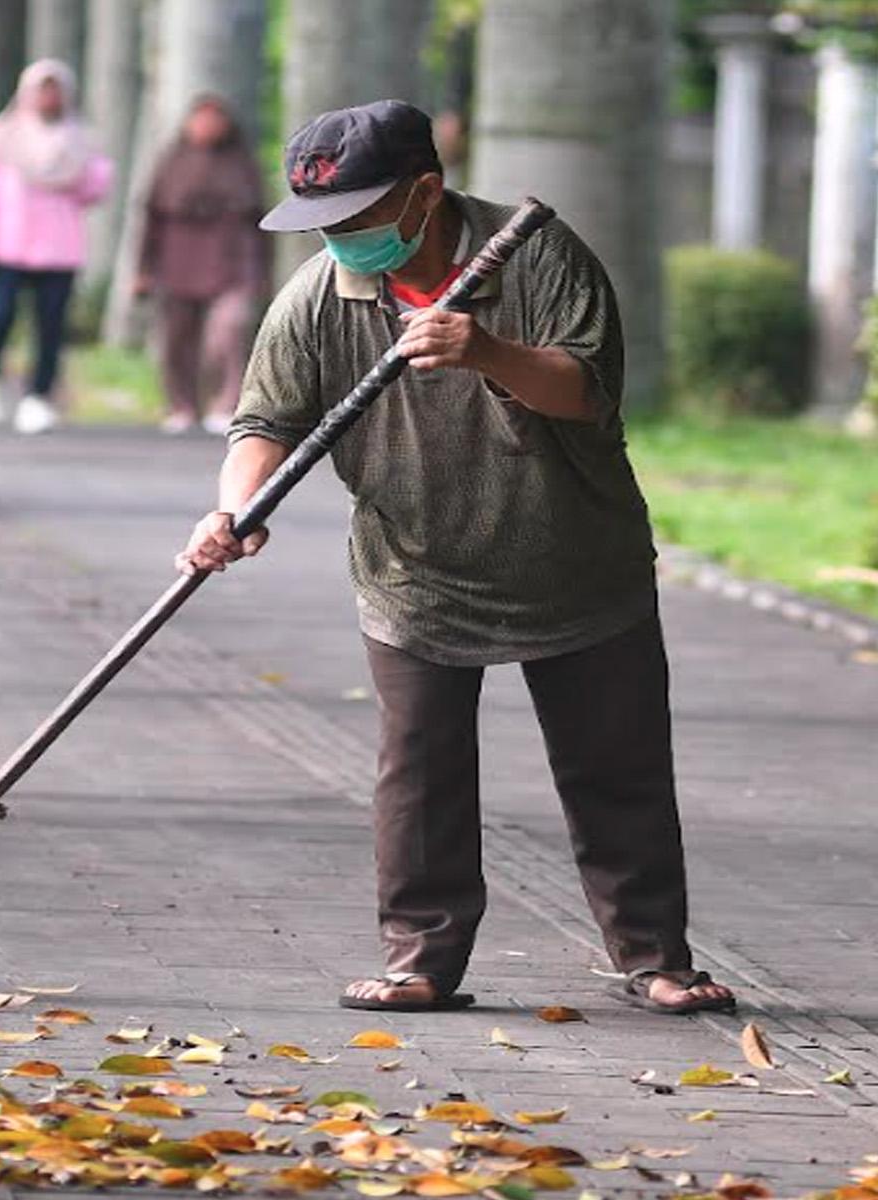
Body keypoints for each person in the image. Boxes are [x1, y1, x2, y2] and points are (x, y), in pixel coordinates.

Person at [177, 100, 736, 1017]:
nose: (336, 241)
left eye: (354, 219)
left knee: (614, 766)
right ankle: (420, 959)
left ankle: (654, 956)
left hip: (574, 555)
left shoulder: (539, 260)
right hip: (415, 565)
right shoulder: (318, 299)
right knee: (419, 768)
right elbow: (264, 421)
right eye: (320, 225)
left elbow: (586, 392)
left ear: (425, 194)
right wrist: (235, 508)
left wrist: (486, 349)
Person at [0, 59, 114, 435]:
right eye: (42, 89)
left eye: (55, 89)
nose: (49, 97)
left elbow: (96, 190)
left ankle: (39, 395)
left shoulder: (81, 141)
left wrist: (76, 171)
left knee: (50, 327)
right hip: (6, 246)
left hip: (59, 251)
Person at [134, 95, 270, 435]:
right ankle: (181, 405)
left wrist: (262, 274)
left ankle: (226, 402)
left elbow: (261, 224)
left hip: (231, 261)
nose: (207, 126)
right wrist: (143, 270)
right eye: (200, 118)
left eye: (215, 119)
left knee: (228, 332)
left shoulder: (241, 165)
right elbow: (150, 218)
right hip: (177, 261)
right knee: (177, 338)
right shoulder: (170, 162)